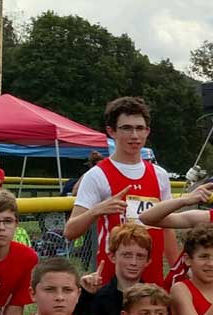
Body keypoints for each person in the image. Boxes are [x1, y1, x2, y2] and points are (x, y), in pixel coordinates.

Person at [64, 97, 183, 287]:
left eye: (139, 128)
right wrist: (97, 211)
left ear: (147, 131)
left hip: (151, 284)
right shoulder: (97, 175)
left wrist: (178, 274)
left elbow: (167, 229)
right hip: (112, 283)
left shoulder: (159, 175)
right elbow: (70, 231)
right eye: (126, 128)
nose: (134, 135)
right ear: (111, 131)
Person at [74, 223, 163, 315]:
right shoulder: (98, 298)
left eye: (140, 256)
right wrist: (85, 295)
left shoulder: (157, 301)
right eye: (127, 255)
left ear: (148, 261)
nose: (133, 262)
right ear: (112, 257)